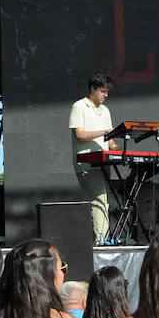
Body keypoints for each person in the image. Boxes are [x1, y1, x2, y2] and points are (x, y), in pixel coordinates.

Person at [69, 71, 117, 244]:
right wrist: (104, 132)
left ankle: (104, 238)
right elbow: (80, 134)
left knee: (104, 200)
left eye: (107, 91)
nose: (106, 95)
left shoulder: (105, 110)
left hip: (103, 162)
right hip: (86, 163)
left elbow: (110, 138)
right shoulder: (79, 107)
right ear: (92, 88)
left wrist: (116, 148)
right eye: (103, 91)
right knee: (100, 197)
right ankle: (101, 241)